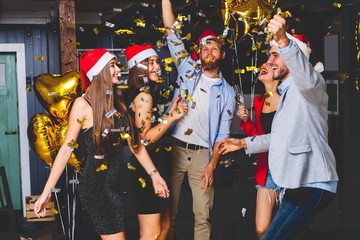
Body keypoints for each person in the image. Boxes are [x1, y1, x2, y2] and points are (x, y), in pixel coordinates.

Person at [218, 14, 338, 239]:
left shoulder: (311, 85)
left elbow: (306, 75)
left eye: (276, 55)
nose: (270, 60)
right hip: (299, 183)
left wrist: (284, 41)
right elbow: (280, 137)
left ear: (295, 58)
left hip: (313, 181)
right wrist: (243, 142)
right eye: (270, 54)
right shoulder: (286, 94)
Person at [34, 49, 170, 240]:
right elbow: (66, 149)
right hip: (97, 188)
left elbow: (135, 143)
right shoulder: (83, 104)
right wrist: (46, 192)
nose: (118, 70)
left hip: (116, 185)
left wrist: (155, 176)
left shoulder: (117, 101)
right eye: (112, 66)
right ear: (98, 72)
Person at [162, 1, 236, 239]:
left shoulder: (228, 92)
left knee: (202, 215)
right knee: (167, 213)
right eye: (204, 48)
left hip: (204, 155)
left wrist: (212, 164)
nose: (209, 52)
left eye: (213, 48)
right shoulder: (187, 69)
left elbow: (223, 135)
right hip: (175, 148)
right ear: (199, 53)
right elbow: (171, 32)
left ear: (222, 54)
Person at [124, 43, 188, 240]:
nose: (156, 66)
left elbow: (151, 126)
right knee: (151, 233)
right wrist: (173, 117)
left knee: (165, 226)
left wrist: (169, 112)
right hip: (147, 168)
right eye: (150, 62)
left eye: (157, 62)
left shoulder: (146, 92)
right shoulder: (144, 96)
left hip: (160, 163)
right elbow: (144, 138)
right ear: (138, 67)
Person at [237, 62, 280, 238]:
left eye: (270, 63)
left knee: (293, 227)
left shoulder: (289, 98)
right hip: (267, 168)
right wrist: (247, 120)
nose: (264, 64)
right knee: (261, 229)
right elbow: (258, 136)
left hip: (291, 167)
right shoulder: (259, 100)